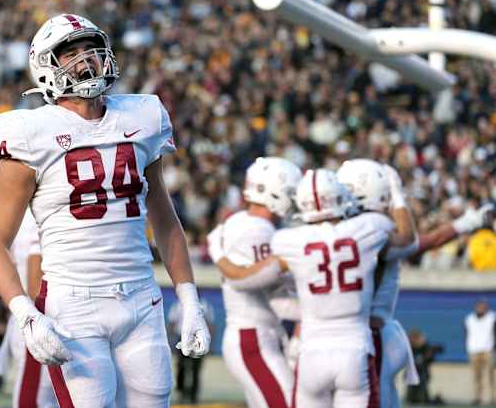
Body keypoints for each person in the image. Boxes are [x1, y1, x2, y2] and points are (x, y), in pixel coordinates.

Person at [0, 13, 210, 408]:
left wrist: (189, 299)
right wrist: (25, 313)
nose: (86, 59)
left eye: (91, 49)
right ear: (45, 66)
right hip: (73, 301)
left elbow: (166, 222)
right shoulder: (29, 133)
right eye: (71, 53)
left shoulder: (142, 117)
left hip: (141, 295)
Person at [337, 159, 494, 408]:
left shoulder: (334, 233)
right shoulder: (374, 229)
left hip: (342, 334)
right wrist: (399, 197)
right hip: (369, 334)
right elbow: (414, 242)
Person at [242, 169, 397, 407]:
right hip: (353, 348)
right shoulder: (370, 227)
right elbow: (408, 240)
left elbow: (250, 279)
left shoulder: (289, 241)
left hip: (311, 352)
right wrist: (397, 193)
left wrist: (222, 260)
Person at [206, 157, 301, 407]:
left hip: (260, 334)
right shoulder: (257, 228)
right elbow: (255, 282)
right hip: (253, 337)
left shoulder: (249, 224)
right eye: (291, 192)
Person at [0, 208, 56, 408]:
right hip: (39, 317)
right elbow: (35, 283)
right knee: (36, 398)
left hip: (33, 314)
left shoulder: (18, 215)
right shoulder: (40, 212)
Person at [167, 298, 215, 405]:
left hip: (199, 339)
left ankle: (193, 396)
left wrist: (210, 342)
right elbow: (171, 323)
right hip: (182, 339)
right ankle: (181, 391)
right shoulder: (178, 305)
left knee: (196, 368)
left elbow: (210, 324)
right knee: (181, 367)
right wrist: (169, 341)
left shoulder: (205, 305)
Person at [464, 299, 496, 406]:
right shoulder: (469, 319)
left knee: (489, 375)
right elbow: (467, 333)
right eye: (479, 307)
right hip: (473, 350)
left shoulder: (492, 317)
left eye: (483, 307)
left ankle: (491, 397)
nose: (481, 309)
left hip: (488, 350)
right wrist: (469, 347)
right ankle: (477, 397)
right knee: (476, 376)